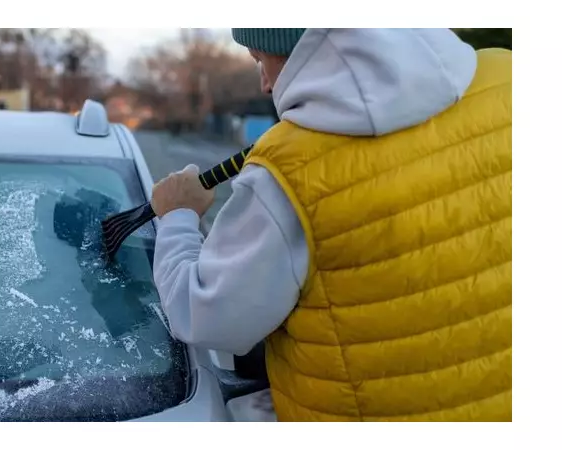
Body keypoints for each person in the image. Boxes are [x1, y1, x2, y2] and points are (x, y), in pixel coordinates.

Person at [150, 28, 511, 421]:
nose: (266, 85)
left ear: (305, 46)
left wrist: (178, 217)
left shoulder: (288, 170)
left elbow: (206, 315)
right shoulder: (508, 76)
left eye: (261, 61)